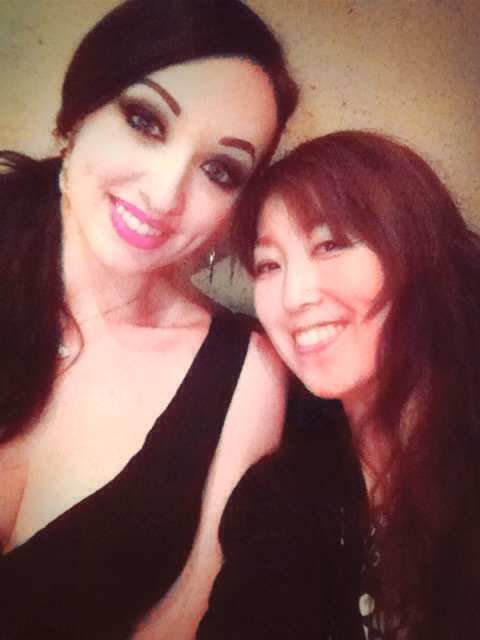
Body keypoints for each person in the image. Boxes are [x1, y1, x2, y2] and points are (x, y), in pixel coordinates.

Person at [0, 1, 299, 638]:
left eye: (220, 170)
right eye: (145, 120)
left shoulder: (244, 375)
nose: (164, 195)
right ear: (77, 115)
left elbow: (189, 617)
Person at [198, 130, 480, 639]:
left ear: (420, 249)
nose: (294, 296)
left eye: (330, 245)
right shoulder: (283, 493)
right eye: (268, 265)